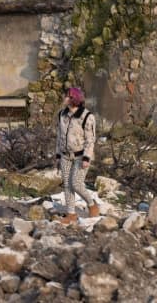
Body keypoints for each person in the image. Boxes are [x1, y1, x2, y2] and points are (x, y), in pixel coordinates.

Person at [55, 87, 100, 225]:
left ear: (74, 99)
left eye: (67, 96)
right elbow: (59, 136)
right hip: (65, 156)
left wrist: (87, 157)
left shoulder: (87, 117)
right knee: (67, 186)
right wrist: (57, 155)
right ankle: (71, 215)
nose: (64, 98)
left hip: (81, 156)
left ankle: (92, 204)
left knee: (76, 183)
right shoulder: (62, 114)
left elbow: (90, 140)